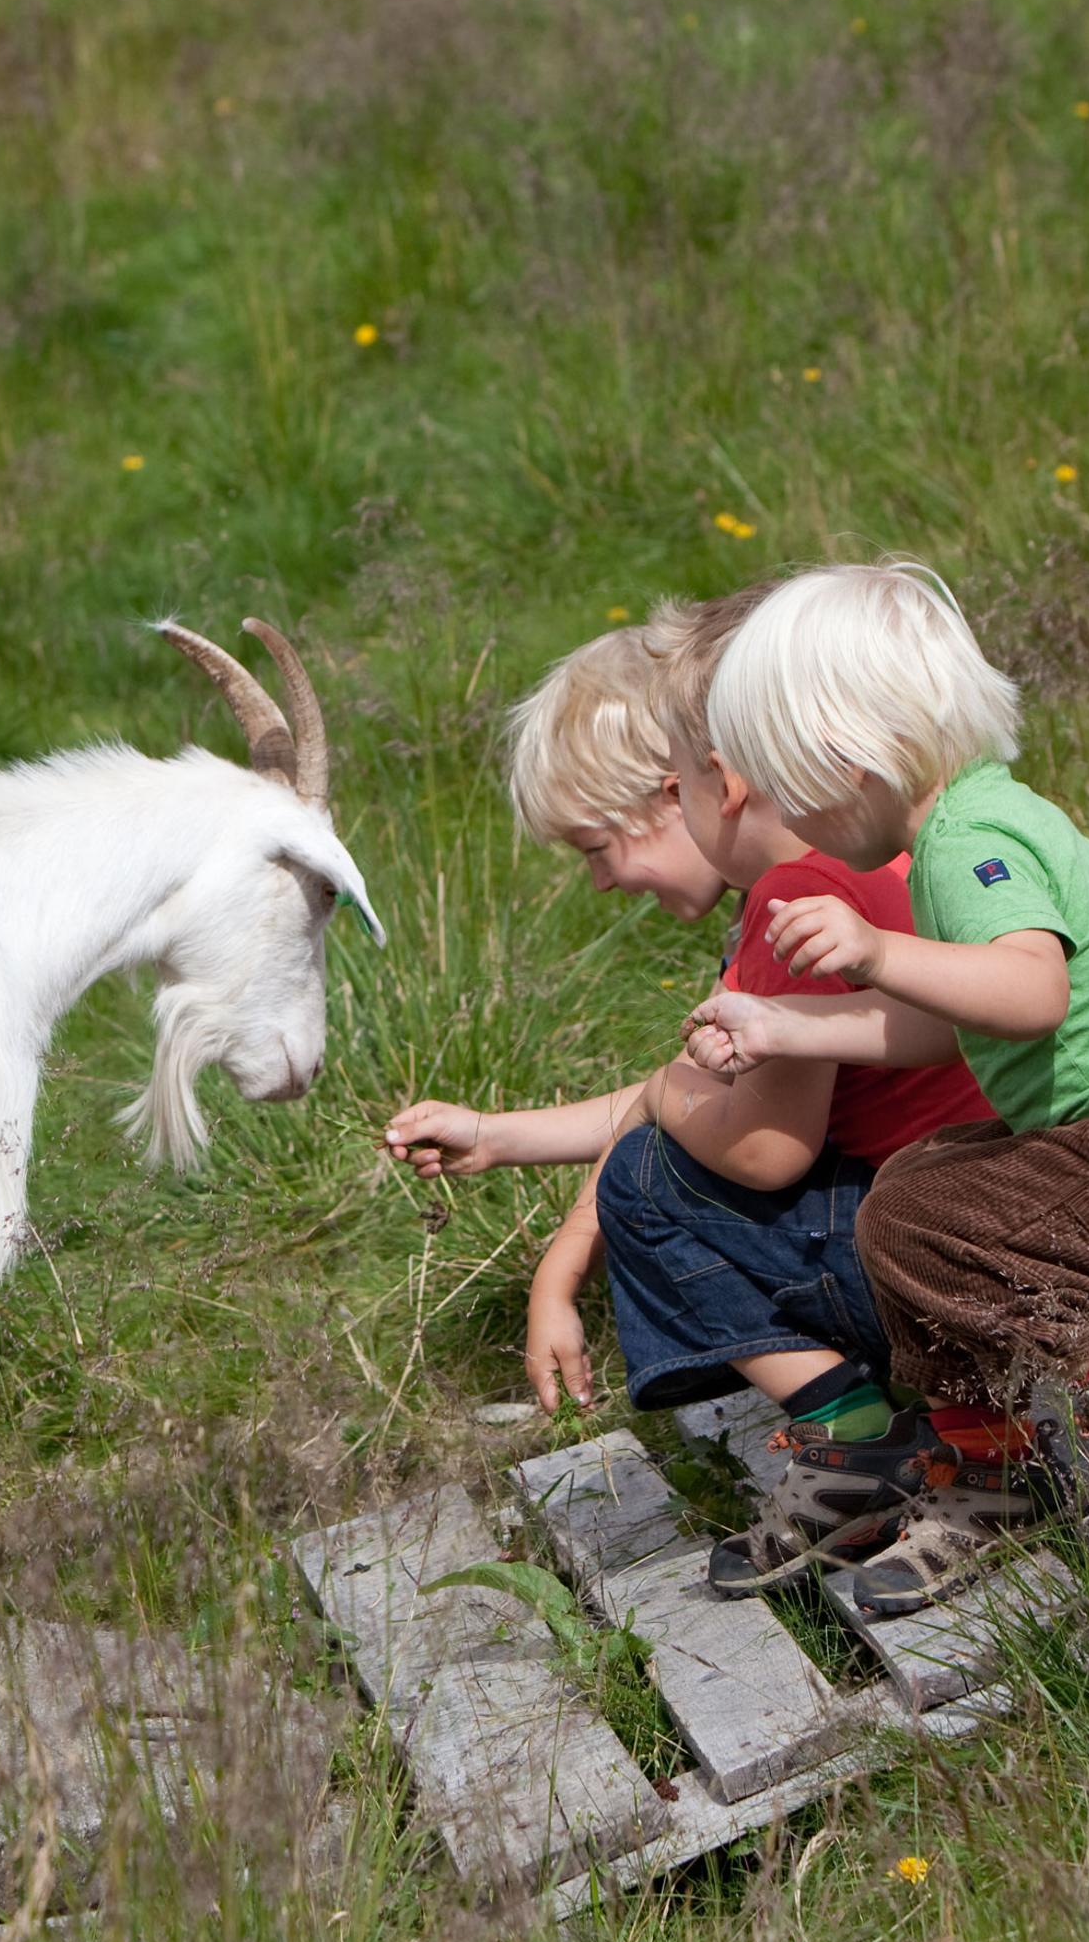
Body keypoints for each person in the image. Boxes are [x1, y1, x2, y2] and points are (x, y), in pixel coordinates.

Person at [683, 561, 1089, 1619]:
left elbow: (1029, 990)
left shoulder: (967, 845)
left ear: (849, 760)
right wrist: (780, 1022)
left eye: (788, 788)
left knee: (919, 1216)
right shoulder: (964, 827)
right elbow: (946, 1021)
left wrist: (871, 949)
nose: (785, 818)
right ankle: (993, 1470)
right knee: (918, 1190)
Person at [383, 596, 993, 1591]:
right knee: (658, 1156)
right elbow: (684, 1107)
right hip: (983, 1214)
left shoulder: (794, 905)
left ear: (691, 790)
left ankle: (856, 1442)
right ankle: (906, 1414)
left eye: (595, 847)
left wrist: (661, 1107)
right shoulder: (866, 850)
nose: (596, 882)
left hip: (914, 1254)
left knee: (656, 1170)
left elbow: (752, 1153)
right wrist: (500, 1143)